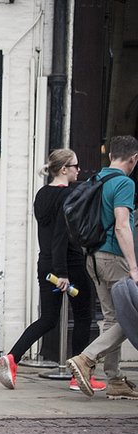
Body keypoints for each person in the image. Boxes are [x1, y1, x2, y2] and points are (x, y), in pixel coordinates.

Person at [0, 149, 98, 391]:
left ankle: (12, 358)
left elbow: (48, 236)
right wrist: (63, 273)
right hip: (69, 264)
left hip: (46, 263)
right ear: (64, 169)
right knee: (84, 316)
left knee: (49, 318)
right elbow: (61, 237)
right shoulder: (69, 196)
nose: (78, 170)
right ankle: (78, 376)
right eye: (75, 165)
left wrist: (54, 268)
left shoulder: (42, 194)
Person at [66, 135, 138, 399]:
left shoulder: (96, 179)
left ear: (110, 156)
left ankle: (115, 379)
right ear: (134, 158)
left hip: (93, 258)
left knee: (112, 318)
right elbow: (121, 225)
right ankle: (86, 358)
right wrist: (134, 267)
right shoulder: (124, 183)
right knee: (131, 318)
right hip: (114, 257)